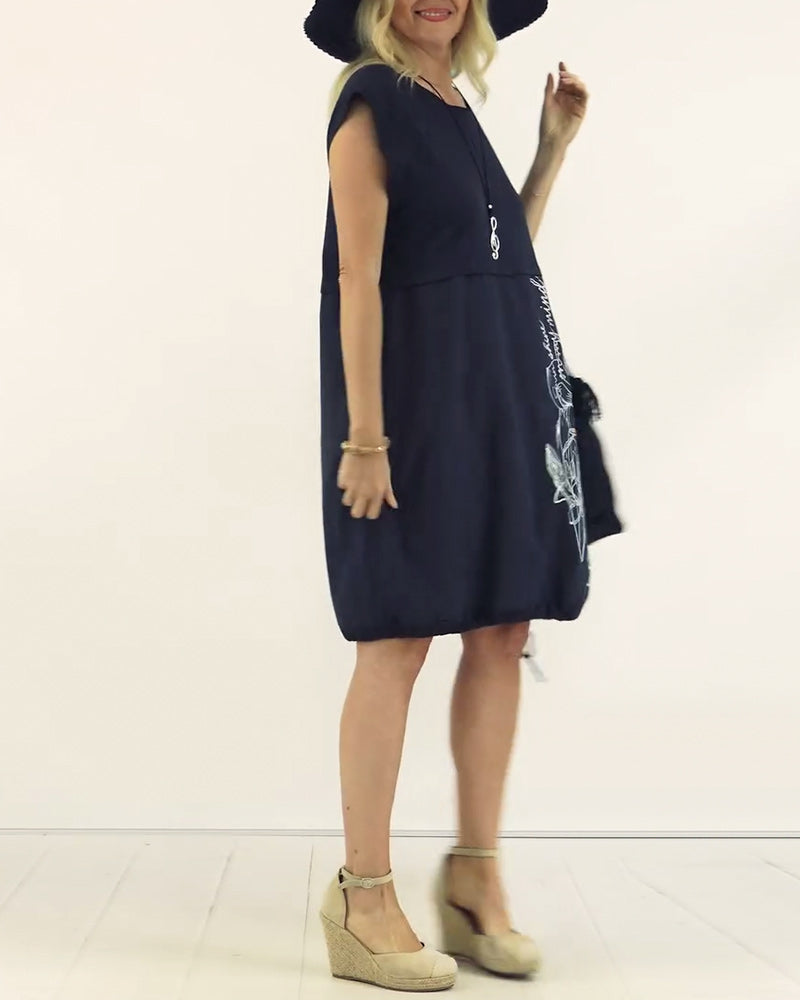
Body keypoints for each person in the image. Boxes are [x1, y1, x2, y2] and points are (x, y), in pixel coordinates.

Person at [304, 0, 590, 990]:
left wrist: (549, 151)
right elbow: (358, 279)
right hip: (411, 411)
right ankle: (363, 895)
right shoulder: (371, 101)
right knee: (396, 635)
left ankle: (473, 881)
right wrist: (366, 439)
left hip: (496, 397)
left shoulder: (454, 103)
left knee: (502, 628)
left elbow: (498, 262)